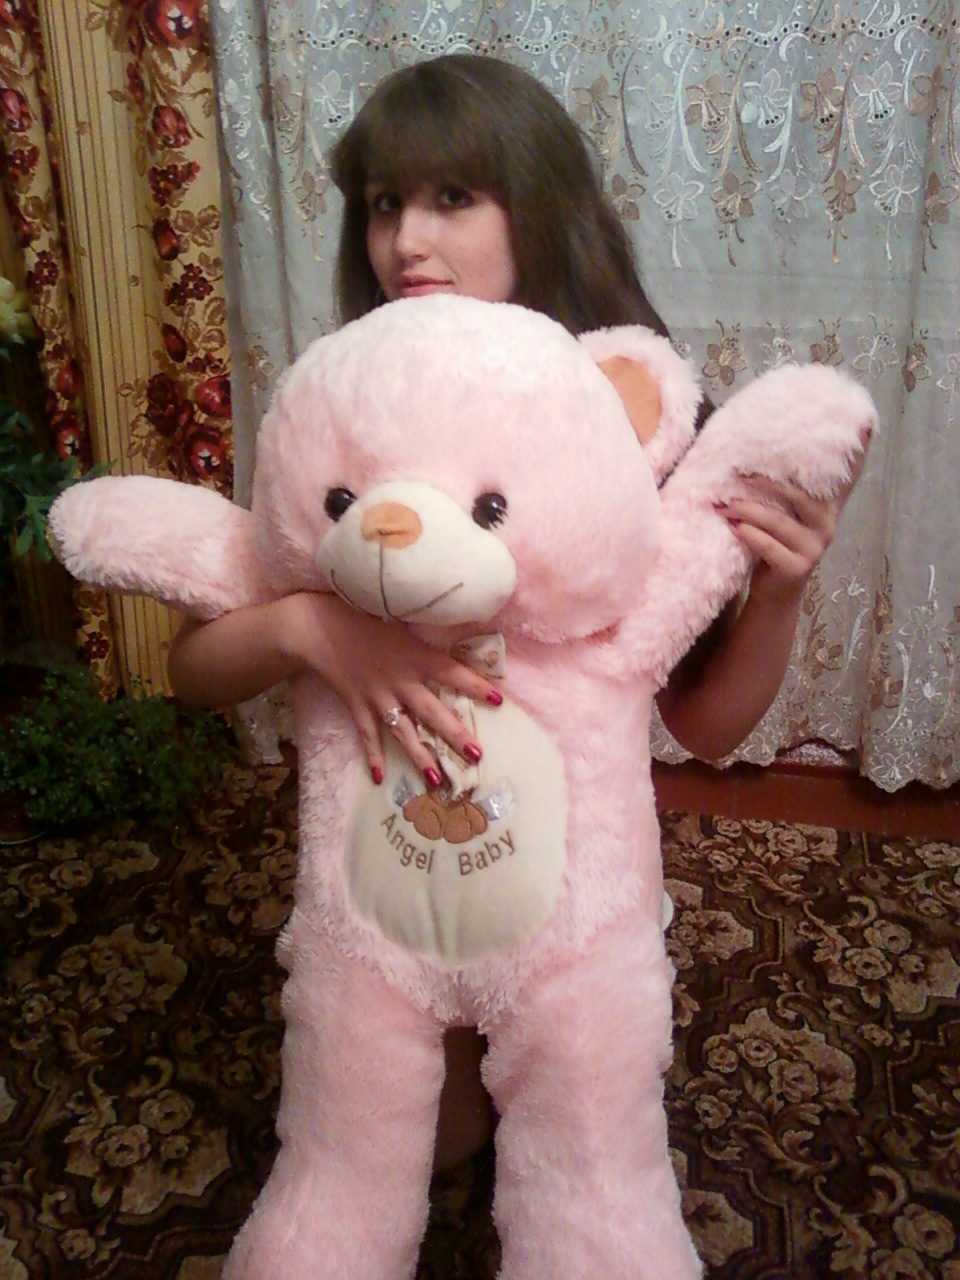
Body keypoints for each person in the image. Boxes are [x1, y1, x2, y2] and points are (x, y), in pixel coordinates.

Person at [168, 54, 859, 1170]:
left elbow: (705, 726)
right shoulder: (349, 407)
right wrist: (312, 629)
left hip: (561, 890)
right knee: (424, 1148)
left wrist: (778, 591)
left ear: (536, 206)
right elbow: (189, 670)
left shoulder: (631, 419)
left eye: (453, 197)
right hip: (395, 882)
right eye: (384, 203)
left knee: (573, 1148)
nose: (406, 242)